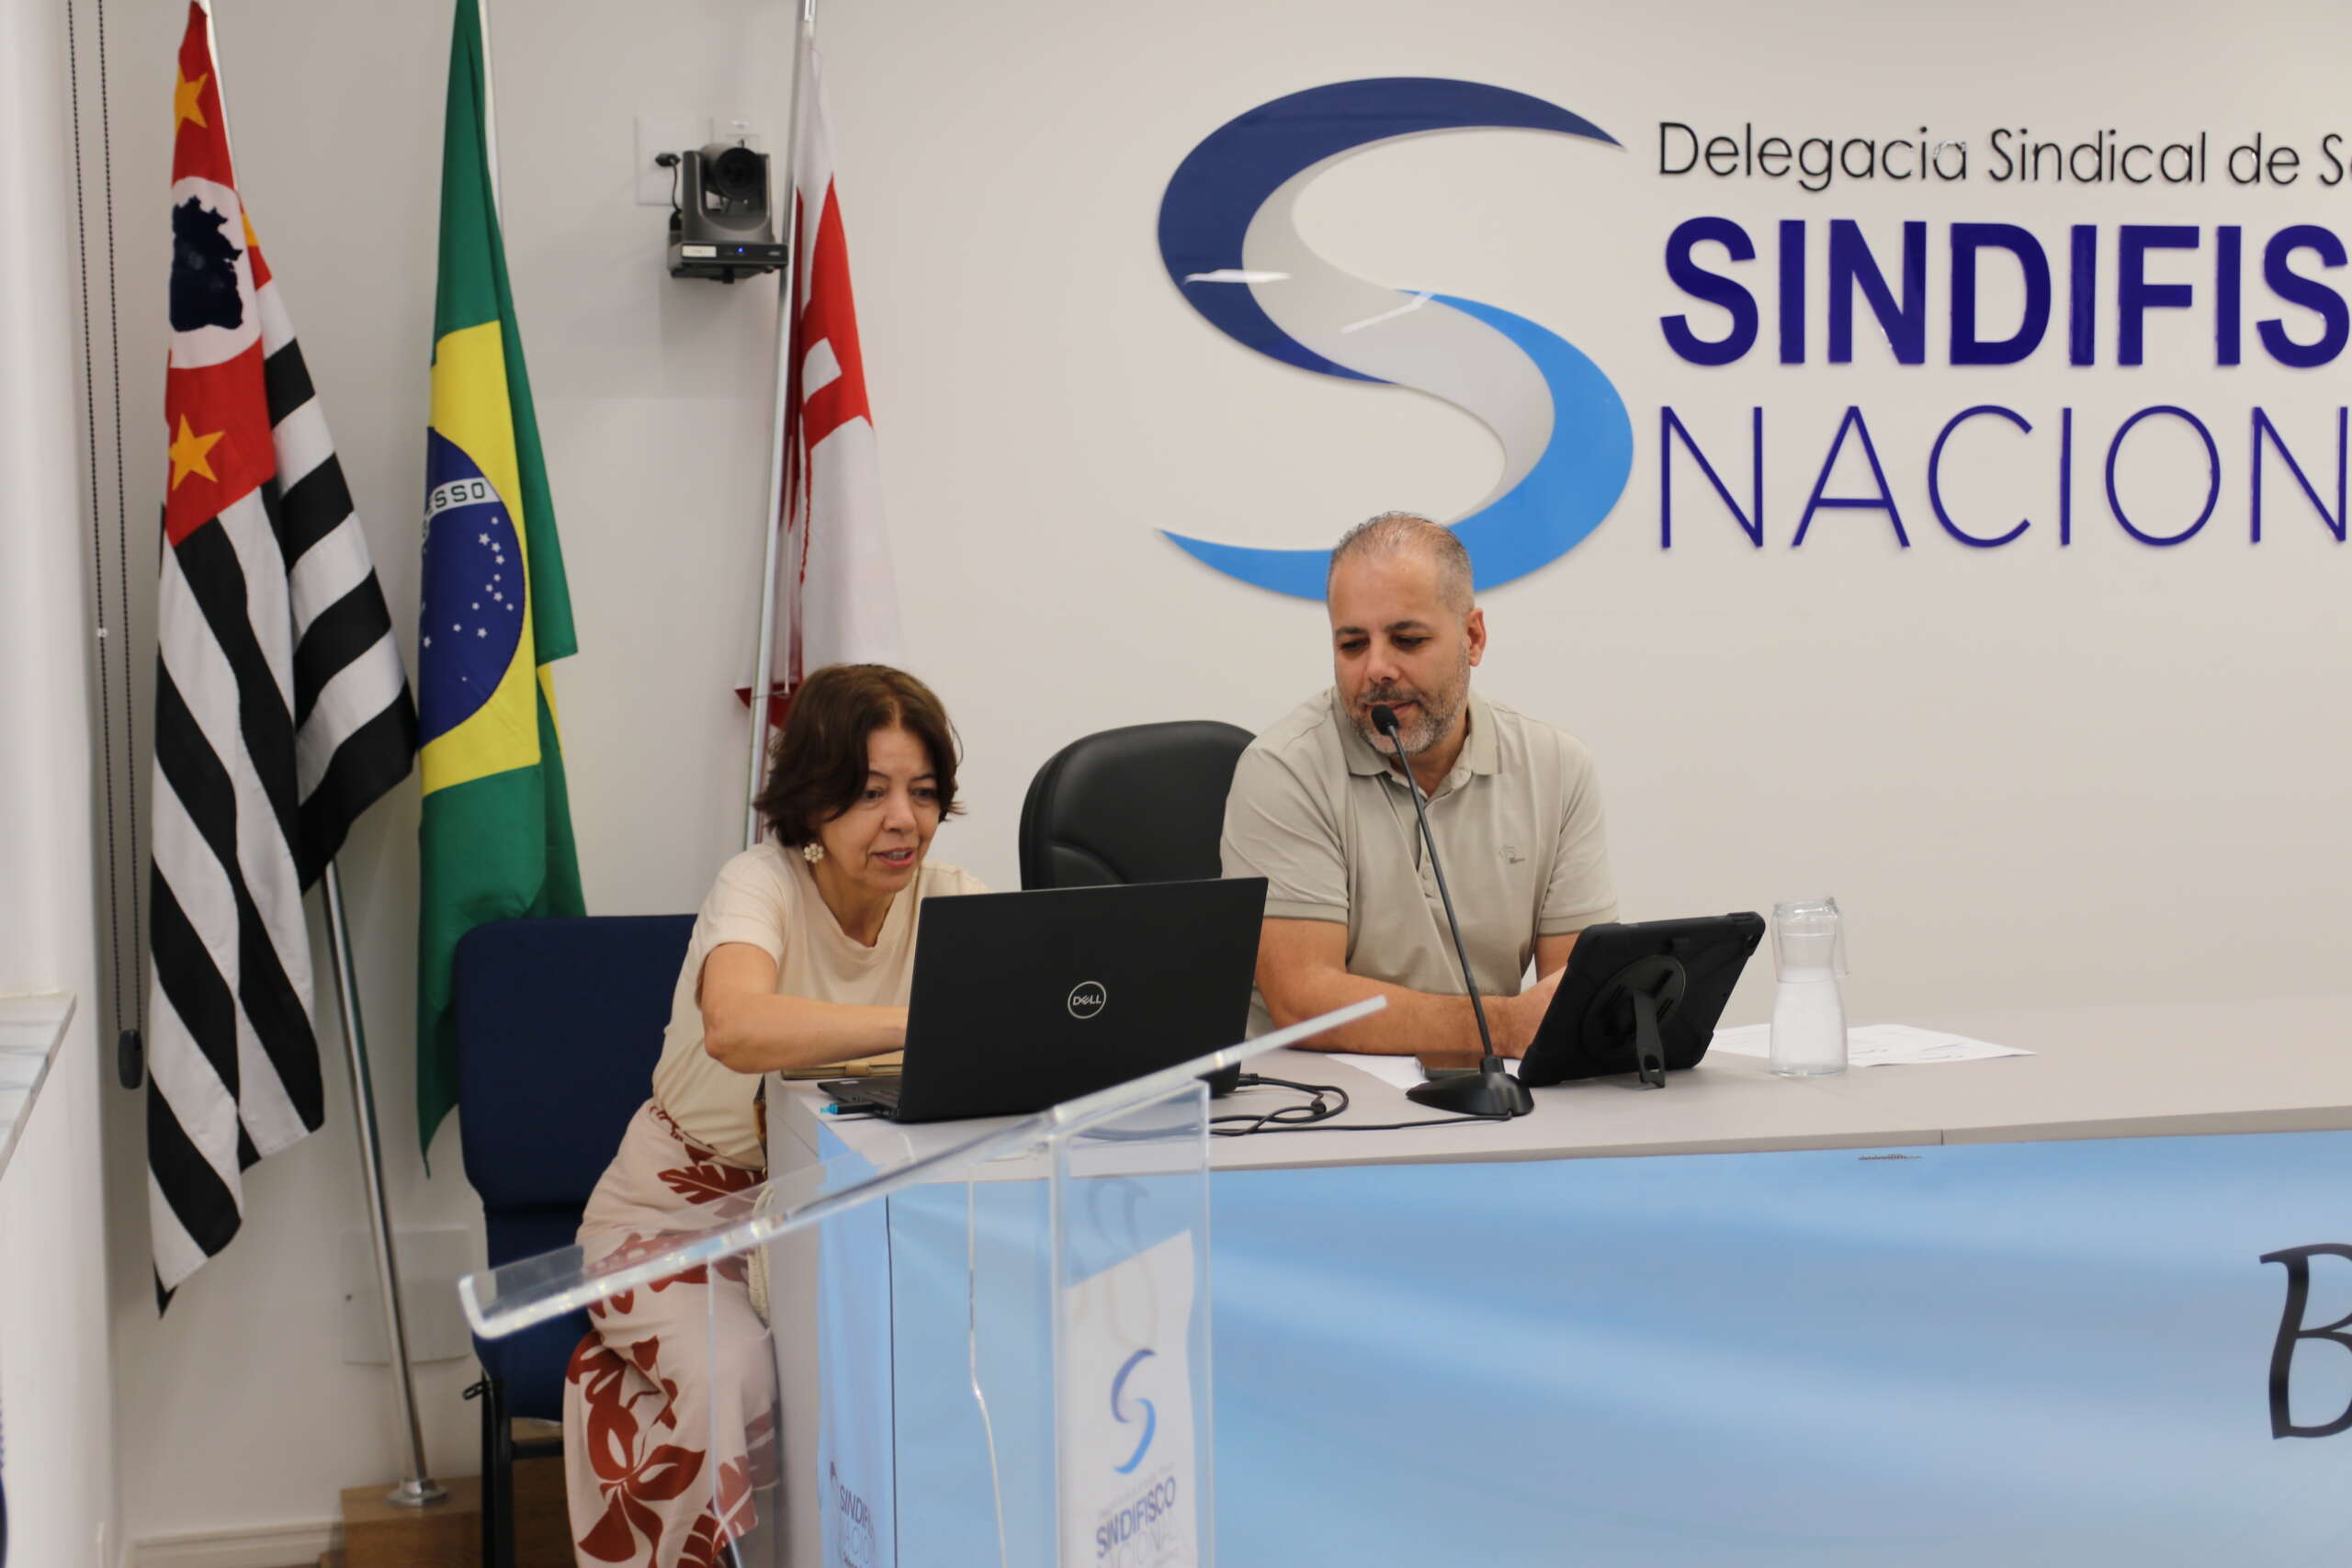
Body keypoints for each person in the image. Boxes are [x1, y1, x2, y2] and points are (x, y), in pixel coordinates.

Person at [561, 663, 985, 1567]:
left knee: (944, 1373)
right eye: (869, 793)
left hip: (851, 1220)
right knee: (737, 1375)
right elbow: (737, 1026)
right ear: (813, 801)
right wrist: (925, 1022)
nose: (903, 820)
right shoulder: (758, 883)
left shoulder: (953, 899)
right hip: (684, 1214)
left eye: (922, 792)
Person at [1220, 512, 1616, 1057]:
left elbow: (1573, 994)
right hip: (1320, 1096)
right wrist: (1503, 1027)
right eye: (1352, 645)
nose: (1376, 669)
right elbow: (1303, 1001)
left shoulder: (1557, 766)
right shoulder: (1284, 769)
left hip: (1490, 1095)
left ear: (1473, 638)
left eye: (1407, 640)